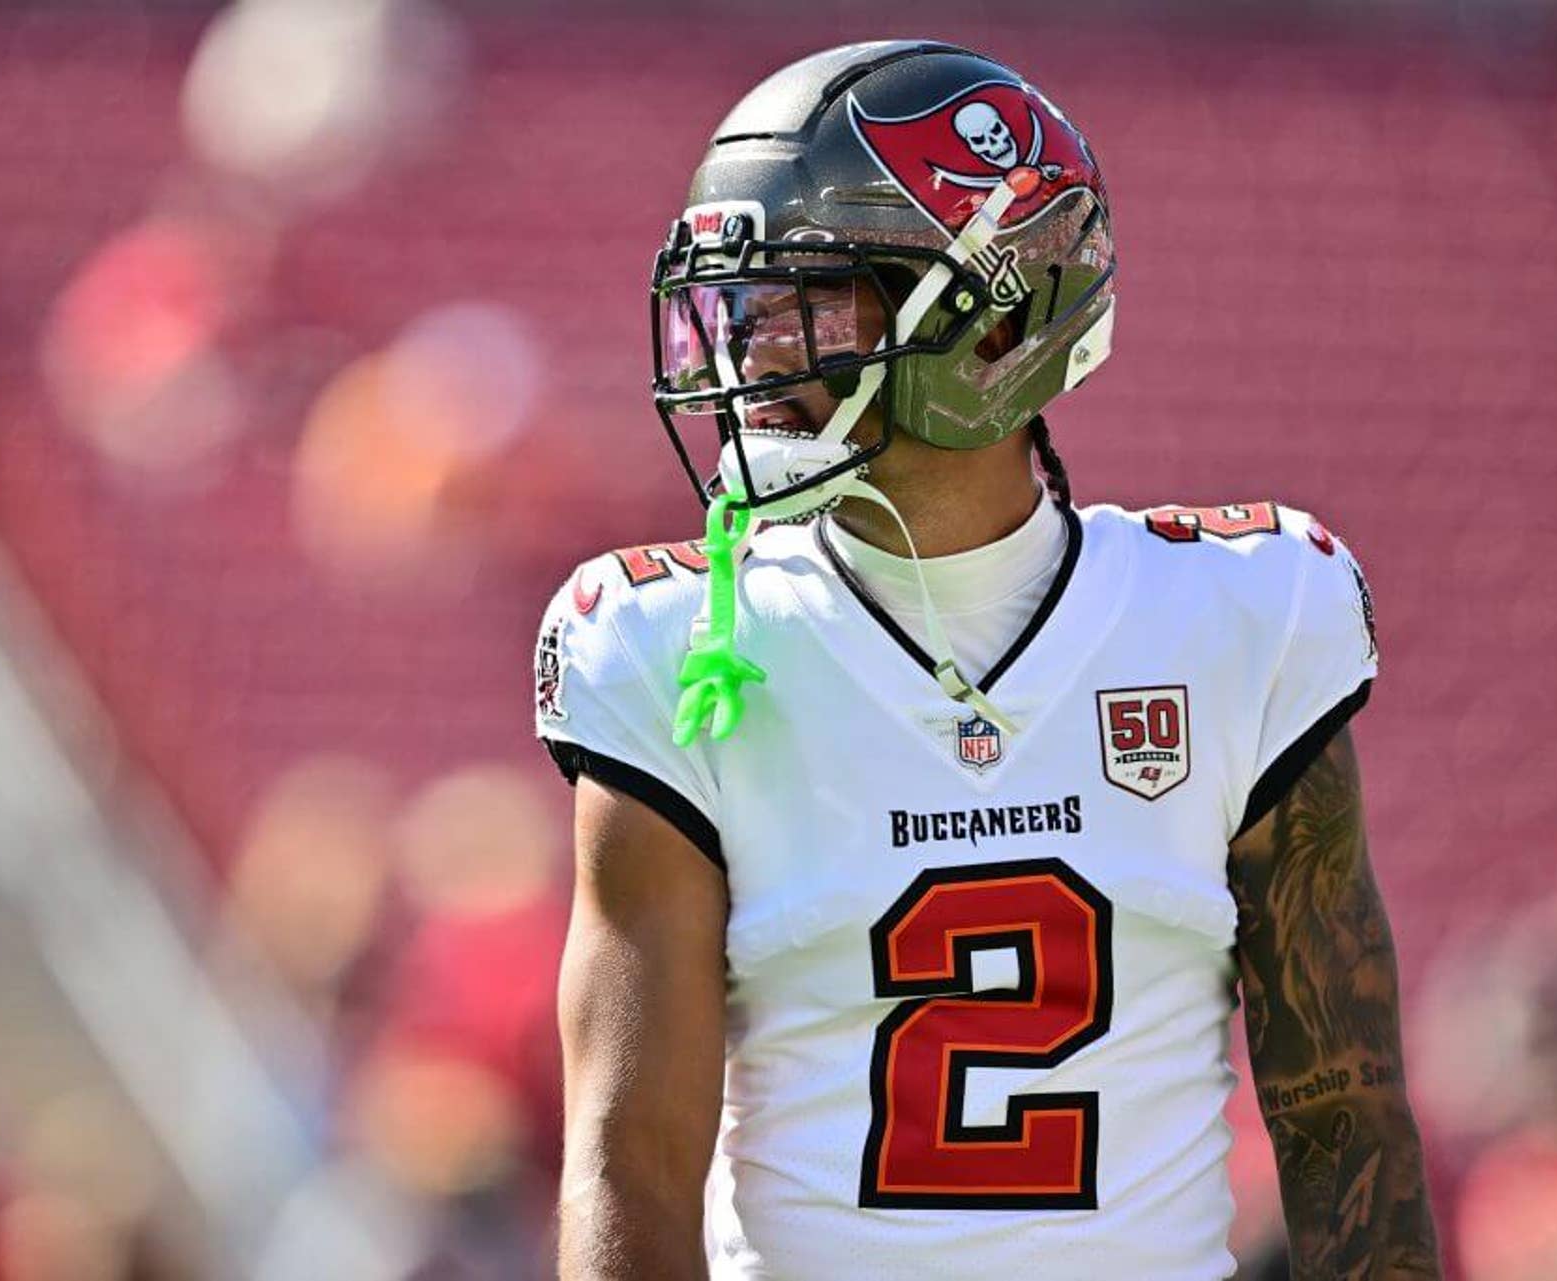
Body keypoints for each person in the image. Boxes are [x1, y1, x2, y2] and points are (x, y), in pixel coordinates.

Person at [534, 41, 1440, 1280]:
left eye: (807, 296)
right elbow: (626, 1154)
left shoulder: (1242, 613)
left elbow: (1342, 1113)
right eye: (735, 305)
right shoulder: (674, 645)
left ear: (999, 316)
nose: (747, 355)